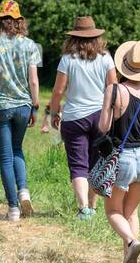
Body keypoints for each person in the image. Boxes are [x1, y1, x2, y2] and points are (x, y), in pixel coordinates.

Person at [98, 40, 140, 263]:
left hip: (122, 158)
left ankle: (132, 243)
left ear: (124, 64)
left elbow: (103, 127)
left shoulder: (114, 90)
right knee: (131, 211)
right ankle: (128, 262)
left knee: (113, 211)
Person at [0, 0, 43, 221]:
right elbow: (34, 81)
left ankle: (13, 208)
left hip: (0, 107)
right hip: (23, 105)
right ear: (19, 21)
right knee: (17, 150)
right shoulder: (30, 45)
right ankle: (24, 190)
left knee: (5, 157)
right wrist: (35, 106)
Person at [46, 16, 116, 218]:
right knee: (97, 162)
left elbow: (58, 90)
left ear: (73, 37)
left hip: (74, 117)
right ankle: (93, 208)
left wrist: (54, 113)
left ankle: (84, 208)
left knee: (78, 164)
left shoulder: (68, 59)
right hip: (100, 116)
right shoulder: (106, 58)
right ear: (96, 37)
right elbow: (113, 87)